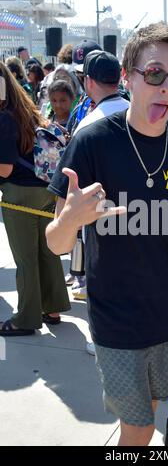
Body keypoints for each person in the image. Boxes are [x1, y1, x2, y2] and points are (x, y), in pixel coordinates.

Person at [46, 22, 168, 446]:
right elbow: (56, 243)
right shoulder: (93, 143)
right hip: (114, 319)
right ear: (128, 76)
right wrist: (70, 220)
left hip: (166, 317)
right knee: (139, 428)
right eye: (154, 74)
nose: (166, 88)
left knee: (151, 413)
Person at [0, 62, 70, 336]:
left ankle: (26, 319)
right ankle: (53, 308)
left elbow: (4, 168)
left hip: (19, 193)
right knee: (46, 251)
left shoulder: (4, 117)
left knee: (25, 258)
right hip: (45, 189)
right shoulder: (25, 111)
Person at [73, 49, 130, 353]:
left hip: (100, 222)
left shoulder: (88, 126)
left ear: (89, 82)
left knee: (103, 287)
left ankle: (102, 340)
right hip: (145, 218)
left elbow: (75, 187)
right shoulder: (141, 115)